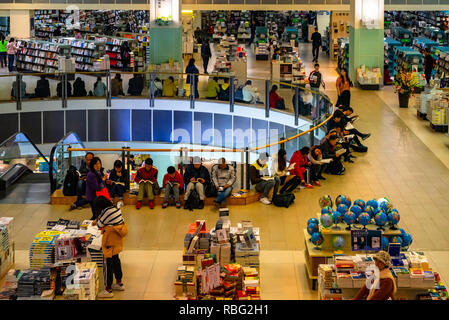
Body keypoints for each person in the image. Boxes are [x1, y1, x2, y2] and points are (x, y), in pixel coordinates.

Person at [92, 196, 127, 299]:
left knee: (107, 263)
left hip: (109, 240)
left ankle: (108, 289)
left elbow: (99, 224)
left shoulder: (106, 212)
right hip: (117, 239)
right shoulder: (115, 208)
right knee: (116, 260)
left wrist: (98, 220)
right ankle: (119, 283)